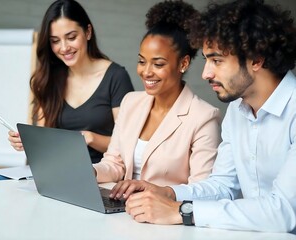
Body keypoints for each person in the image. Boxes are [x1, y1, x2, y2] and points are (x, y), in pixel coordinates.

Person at [123, 0, 296, 233]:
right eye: (206, 60)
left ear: (256, 59)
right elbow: (223, 186)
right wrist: (169, 193)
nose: (206, 73)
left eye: (217, 60)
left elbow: (283, 212)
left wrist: (180, 211)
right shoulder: (237, 109)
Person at [0, 0, 134, 183]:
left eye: (71, 37)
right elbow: (44, 140)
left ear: (88, 32)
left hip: (97, 173)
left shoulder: (116, 77)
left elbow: (127, 146)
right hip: (55, 171)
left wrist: (90, 138)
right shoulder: (50, 78)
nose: (63, 48)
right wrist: (29, 141)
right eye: (55, 41)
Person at [93, 0, 221, 199]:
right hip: (123, 209)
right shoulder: (131, 102)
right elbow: (115, 163)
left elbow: (203, 188)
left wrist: (161, 194)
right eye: (142, 61)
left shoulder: (203, 117)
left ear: (183, 63)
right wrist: (90, 172)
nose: (146, 72)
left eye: (158, 64)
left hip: (164, 217)